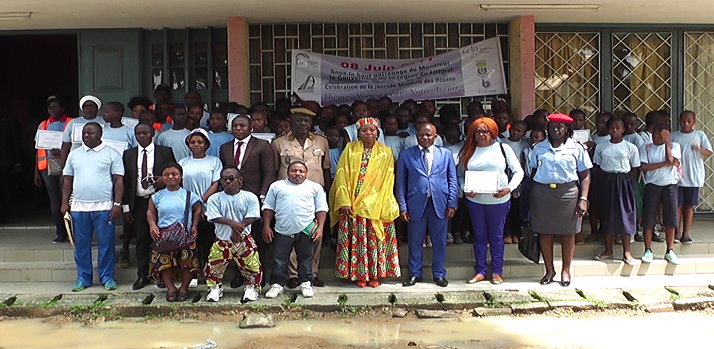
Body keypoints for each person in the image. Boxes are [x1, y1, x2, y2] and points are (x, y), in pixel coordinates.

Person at [330, 117, 401, 288]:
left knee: (375, 241)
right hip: (353, 205)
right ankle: (359, 275)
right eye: (364, 130)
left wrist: (382, 202)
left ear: (378, 132)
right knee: (358, 242)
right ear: (358, 133)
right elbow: (341, 175)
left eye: (372, 130)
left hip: (377, 204)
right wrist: (345, 201)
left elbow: (388, 179)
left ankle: (375, 275)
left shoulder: (386, 152)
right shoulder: (350, 149)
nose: (368, 133)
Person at [529, 113, 592, 287]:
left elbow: (585, 175)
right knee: (545, 232)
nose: (556, 129)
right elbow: (532, 173)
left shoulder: (577, 148)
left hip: (568, 194)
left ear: (567, 129)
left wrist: (583, 198)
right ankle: (549, 270)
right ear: (547, 128)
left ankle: (566, 270)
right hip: (542, 193)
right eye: (552, 126)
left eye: (560, 126)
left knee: (568, 232)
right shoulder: (539, 148)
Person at [61, 122, 125, 292]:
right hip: (79, 207)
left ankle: (107, 277)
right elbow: (67, 179)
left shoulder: (111, 153)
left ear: (100, 134)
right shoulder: (74, 154)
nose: (86, 135)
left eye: (90, 132)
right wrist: (64, 202)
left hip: (104, 206)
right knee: (81, 245)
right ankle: (83, 278)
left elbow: (119, 180)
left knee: (106, 244)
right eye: (84, 132)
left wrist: (117, 204)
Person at [460, 117, 524, 285]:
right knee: (479, 235)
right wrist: (464, 188)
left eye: (485, 131)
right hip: (475, 201)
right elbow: (460, 175)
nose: (481, 135)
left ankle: (496, 271)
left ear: (493, 132)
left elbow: (518, 172)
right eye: (478, 131)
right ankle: (480, 271)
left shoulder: (503, 148)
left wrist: (509, 188)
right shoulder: (468, 150)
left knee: (496, 236)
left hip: (499, 200)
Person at [272, 107, 331, 287]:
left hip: (314, 195)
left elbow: (326, 169)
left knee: (314, 233)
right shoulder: (278, 143)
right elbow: (275, 170)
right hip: (288, 195)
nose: (302, 124)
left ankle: (312, 273)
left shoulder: (322, 142)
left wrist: (327, 193)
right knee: (290, 232)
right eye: (299, 120)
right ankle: (292, 274)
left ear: (311, 123)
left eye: (306, 121)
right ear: (292, 121)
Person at [396, 123, 458, 287]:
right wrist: (402, 206)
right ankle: (415, 273)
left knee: (439, 241)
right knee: (415, 240)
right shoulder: (406, 155)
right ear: (417, 136)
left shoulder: (446, 154)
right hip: (415, 203)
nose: (425, 138)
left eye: (428, 135)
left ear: (435, 136)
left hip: (440, 203)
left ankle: (438, 274)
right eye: (422, 135)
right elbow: (400, 183)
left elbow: (453, 180)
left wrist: (452, 203)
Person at [219, 114, 276, 287]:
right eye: (235, 126)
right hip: (232, 198)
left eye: (242, 125)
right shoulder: (225, 147)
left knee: (256, 238)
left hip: (254, 198)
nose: (238, 128)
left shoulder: (262, 145)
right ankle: (239, 275)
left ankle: (259, 275)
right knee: (235, 238)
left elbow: (269, 172)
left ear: (251, 127)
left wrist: (263, 195)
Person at [121, 123, 176, 289]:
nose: (142, 136)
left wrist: (163, 180)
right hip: (139, 201)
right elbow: (126, 181)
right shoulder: (128, 154)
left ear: (153, 133)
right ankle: (142, 275)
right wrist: (125, 207)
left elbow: (174, 173)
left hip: (161, 200)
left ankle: (160, 275)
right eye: (138, 133)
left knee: (162, 239)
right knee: (142, 239)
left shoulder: (165, 151)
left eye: (145, 132)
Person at [263, 161, 328, 298]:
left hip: (306, 229)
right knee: (280, 259)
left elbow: (321, 209)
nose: (297, 174)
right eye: (294, 171)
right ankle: (277, 284)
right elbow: (268, 207)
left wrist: (320, 228)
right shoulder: (276, 186)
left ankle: (306, 283)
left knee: (305, 259)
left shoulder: (315, 187)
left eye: (301, 171)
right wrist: (266, 226)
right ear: (287, 172)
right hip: (282, 230)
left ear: (306, 173)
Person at [205, 167, 263, 302]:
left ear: (240, 180)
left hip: (244, 239)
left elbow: (252, 216)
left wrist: (238, 229)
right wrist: (232, 224)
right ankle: (214, 288)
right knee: (214, 265)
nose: (228, 182)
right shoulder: (214, 198)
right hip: (222, 240)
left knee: (251, 266)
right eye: (224, 179)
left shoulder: (250, 197)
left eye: (231, 178)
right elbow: (214, 217)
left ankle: (251, 288)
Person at [147, 162, 202, 302]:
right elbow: (150, 212)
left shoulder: (189, 195)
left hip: (185, 235)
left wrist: (194, 225)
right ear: (162, 177)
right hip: (163, 236)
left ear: (181, 176)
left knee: (186, 263)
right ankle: (171, 288)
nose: (170, 177)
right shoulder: (157, 196)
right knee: (165, 263)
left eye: (174, 174)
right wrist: (152, 225)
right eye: (166, 175)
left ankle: (184, 288)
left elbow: (197, 209)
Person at [592, 116, 641, 264]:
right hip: (607, 181)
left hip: (623, 181)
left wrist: (625, 182)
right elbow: (598, 165)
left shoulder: (630, 147)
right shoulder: (601, 147)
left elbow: (635, 168)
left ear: (623, 129)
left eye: (618, 128)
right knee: (607, 215)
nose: (615, 130)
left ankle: (627, 252)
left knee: (625, 215)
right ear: (608, 129)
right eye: (612, 127)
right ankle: (608, 250)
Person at [178, 128, 222, 275]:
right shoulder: (183, 162)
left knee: (208, 240)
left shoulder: (214, 161)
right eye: (193, 142)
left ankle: (210, 272)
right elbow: (179, 184)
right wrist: (194, 203)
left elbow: (216, 184)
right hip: (188, 207)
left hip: (208, 207)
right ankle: (194, 272)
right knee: (192, 241)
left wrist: (201, 201)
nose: (196, 145)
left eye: (200, 142)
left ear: (206, 144)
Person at [640, 124, 682, 265]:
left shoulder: (674, 146)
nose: (655, 137)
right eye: (654, 134)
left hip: (669, 185)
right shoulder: (646, 147)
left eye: (660, 135)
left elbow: (671, 160)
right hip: (652, 185)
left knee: (670, 219)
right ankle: (648, 250)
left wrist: (667, 143)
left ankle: (669, 250)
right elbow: (644, 167)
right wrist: (664, 163)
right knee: (649, 218)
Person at [34, 96, 71, 243]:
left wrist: (61, 154)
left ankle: (71, 231)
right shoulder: (43, 125)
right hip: (49, 163)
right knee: (55, 200)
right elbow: (37, 149)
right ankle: (61, 233)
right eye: (50, 107)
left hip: (66, 163)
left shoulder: (70, 123)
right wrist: (36, 172)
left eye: (56, 107)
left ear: (63, 108)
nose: (53, 110)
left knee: (67, 198)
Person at [672, 111, 712, 244]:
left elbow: (709, 152)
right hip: (677, 177)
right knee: (677, 205)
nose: (686, 124)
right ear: (679, 121)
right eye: (683, 121)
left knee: (689, 206)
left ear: (694, 121)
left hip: (693, 176)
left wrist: (699, 149)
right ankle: (676, 233)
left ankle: (686, 233)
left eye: (689, 121)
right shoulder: (674, 136)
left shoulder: (699, 135)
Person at [501, 120, 528, 244]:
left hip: (519, 180)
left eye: (519, 131)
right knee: (506, 208)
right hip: (505, 178)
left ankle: (516, 233)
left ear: (524, 133)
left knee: (517, 209)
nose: (516, 132)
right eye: (514, 129)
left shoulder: (524, 145)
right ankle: (507, 233)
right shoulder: (502, 143)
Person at [60, 95, 104, 163]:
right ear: (82, 109)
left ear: (97, 108)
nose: (88, 108)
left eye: (91, 106)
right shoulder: (73, 122)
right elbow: (65, 145)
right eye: (86, 106)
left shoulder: (104, 122)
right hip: (77, 158)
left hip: (99, 157)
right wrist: (63, 164)